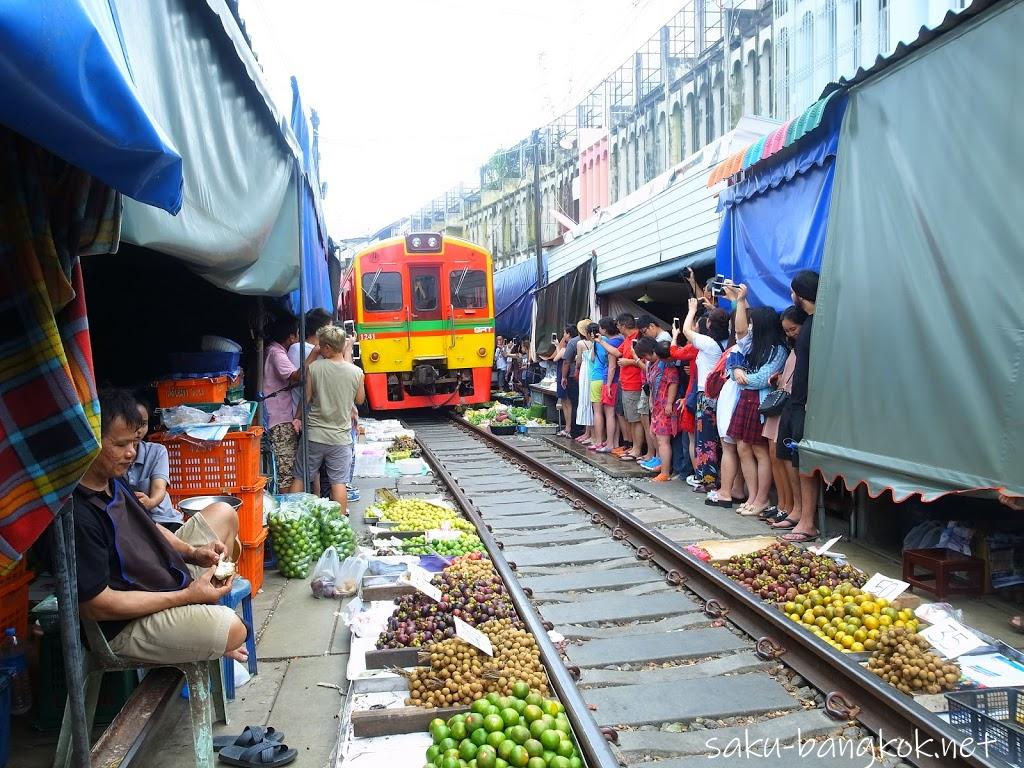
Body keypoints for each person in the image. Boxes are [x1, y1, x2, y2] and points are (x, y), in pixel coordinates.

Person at [51, 389, 248, 665]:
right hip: (125, 624)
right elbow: (97, 605)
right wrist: (185, 597)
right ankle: (205, 622)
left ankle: (202, 619)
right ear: (88, 444)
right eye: (120, 445)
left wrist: (193, 552)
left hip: (157, 577)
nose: (131, 453)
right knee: (234, 629)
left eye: (134, 442)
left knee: (224, 513)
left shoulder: (113, 480)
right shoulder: (77, 514)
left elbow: (151, 528)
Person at [725, 285, 788, 517]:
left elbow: (763, 379)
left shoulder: (778, 349)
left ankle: (761, 498)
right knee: (743, 447)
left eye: (753, 324)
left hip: (760, 402)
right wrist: (736, 371)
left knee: (760, 451)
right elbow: (736, 352)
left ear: (762, 326)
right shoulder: (754, 344)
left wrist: (741, 376)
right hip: (746, 400)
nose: (748, 327)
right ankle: (753, 496)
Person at [291, 325, 365, 508]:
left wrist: (297, 417)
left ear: (327, 348)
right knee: (338, 483)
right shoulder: (356, 373)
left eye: (321, 346)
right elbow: (360, 400)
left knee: (300, 477)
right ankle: (339, 523)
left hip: (314, 435)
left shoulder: (315, 368)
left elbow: (306, 398)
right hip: (340, 438)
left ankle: (292, 516)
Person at [776, 270, 820, 544]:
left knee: (803, 461)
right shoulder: (811, 324)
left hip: (807, 401)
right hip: (796, 399)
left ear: (799, 294)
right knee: (789, 455)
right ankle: (798, 512)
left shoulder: (816, 324)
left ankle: (807, 522)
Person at [761, 306, 808, 526]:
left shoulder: (803, 347)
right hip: (782, 406)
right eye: (787, 331)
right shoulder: (793, 349)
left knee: (786, 457)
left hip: (790, 406)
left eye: (793, 329)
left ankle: (792, 507)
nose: (791, 334)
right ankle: (783, 504)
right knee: (775, 454)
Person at [264, 315, 317, 492]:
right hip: (279, 419)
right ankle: (288, 512)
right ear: (291, 337)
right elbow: (297, 376)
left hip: (278, 415)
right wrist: (314, 354)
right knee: (287, 470)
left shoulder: (272, 350)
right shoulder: (276, 352)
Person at [681, 299, 730, 492]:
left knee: (706, 439)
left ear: (709, 324)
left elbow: (686, 330)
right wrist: (713, 310)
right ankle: (712, 477)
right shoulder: (726, 341)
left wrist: (692, 310)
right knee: (716, 439)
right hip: (719, 395)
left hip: (706, 394)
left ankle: (708, 479)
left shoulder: (708, 343)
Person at [125, 401, 181, 531]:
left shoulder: (157, 451)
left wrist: (151, 502)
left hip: (164, 521)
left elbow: (159, 487)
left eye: (143, 424)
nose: (139, 430)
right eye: (133, 424)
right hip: (133, 527)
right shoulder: (113, 456)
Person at [640, 339, 679, 482]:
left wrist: (669, 403)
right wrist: (651, 401)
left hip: (664, 406)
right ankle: (662, 465)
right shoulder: (655, 365)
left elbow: (673, 383)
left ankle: (665, 472)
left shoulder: (668, 366)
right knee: (654, 434)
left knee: (663, 440)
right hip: (657, 405)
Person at [288, 308, 333, 414]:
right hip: (311, 416)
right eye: (331, 327)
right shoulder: (300, 349)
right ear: (323, 329)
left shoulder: (295, 348)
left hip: (303, 415)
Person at [614, 313, 646, 461]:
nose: (617, 328)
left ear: (623, 325)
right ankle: (634, 447)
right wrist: (599, 340)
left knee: (635, 419)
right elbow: (616, 352)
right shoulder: (627, 339)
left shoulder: (638, 338)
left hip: (634, 382)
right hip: (626, 382)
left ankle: (637, 449)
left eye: (618, 325)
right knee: (630, 418)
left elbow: (644, 361)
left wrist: (629, 362)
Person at [589, 317, 623, 453]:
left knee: (606, 413)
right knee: (614, 414)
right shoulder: (620, 339)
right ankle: (613, 442)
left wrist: (608, 384)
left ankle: (605, 443)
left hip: (608, 379)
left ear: (604, 328)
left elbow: (611, 365)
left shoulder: (609, 342)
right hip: (615, 380)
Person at [574, 321, 596, 444]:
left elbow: (578, 361)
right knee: (590, 402)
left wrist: (577, 363)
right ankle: (588, 433)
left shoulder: (580, 343)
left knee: (585, 400)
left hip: (585, 372)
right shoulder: (594, 343)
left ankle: (589, 433)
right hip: (593, 372)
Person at [561, 324, 584, 438]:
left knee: (575, 403)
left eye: (565, 333)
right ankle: (583, 430)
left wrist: (563, 377)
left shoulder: (574, 342)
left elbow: (566, 361)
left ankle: (574, 430)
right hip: (587, 377)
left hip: (574, 376)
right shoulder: (594, 341)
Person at [553, 326, 575, 437]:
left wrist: (560, 349)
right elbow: (559, 356)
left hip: (564, 376)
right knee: (565, 402)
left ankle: (568, 427)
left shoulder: (568, 347)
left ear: (569, 334)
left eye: (565, 333)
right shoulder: (567, 347)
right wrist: (558, 346)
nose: (564, 336)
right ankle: (568, 427)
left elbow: (556, 358)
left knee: (567, 403)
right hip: (564, 375)